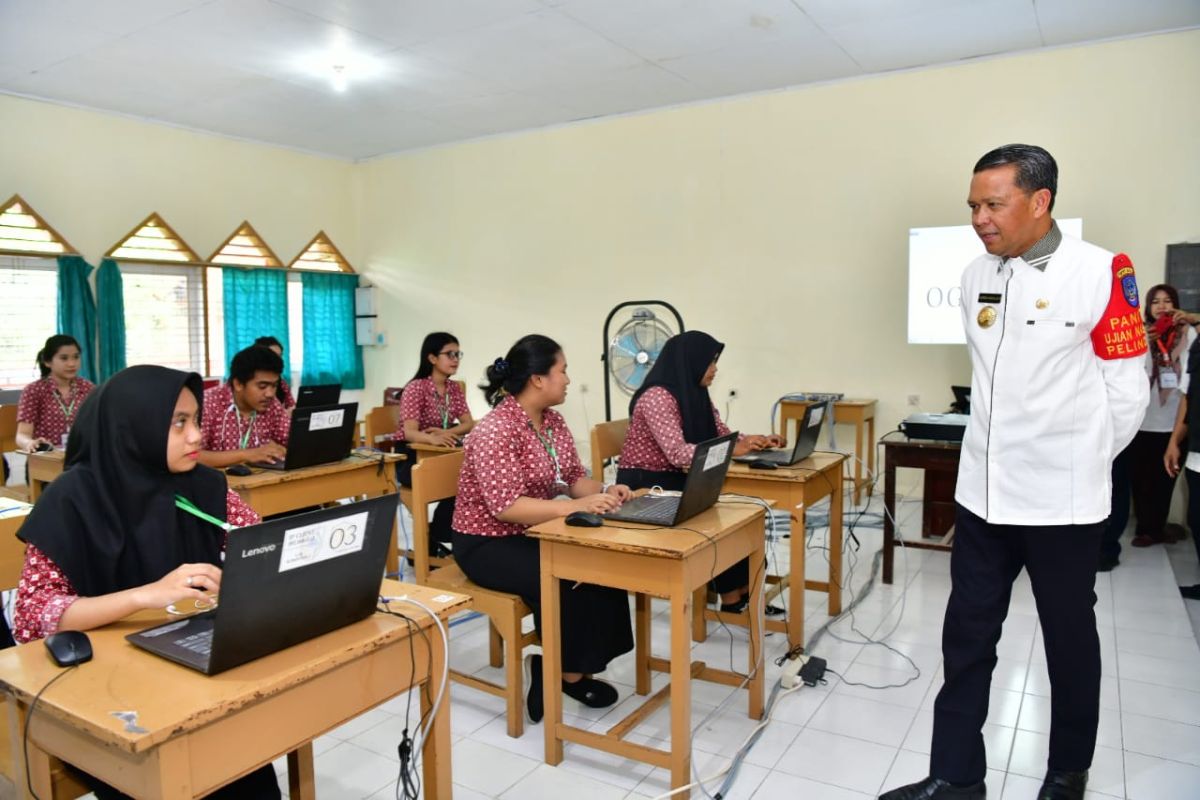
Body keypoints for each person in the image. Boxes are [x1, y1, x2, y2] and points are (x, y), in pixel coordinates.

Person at [881, 145, 1148, 800]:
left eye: (992, 204)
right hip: (981, 498)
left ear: (1040, 201)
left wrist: (1074, 460)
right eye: (973, 205)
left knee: (1068, 644)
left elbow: (1127, 396)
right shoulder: (976, 275)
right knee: (965, 639)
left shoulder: (1102, 271)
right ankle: (955, 776)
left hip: (1062, 505)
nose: (979, 217)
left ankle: (1066, 775)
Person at [12, 365, 279, 799]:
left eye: (195, 421)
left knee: (246, 772)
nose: (196, 436)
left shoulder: (203, 485)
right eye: (179, 423)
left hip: (195, 676)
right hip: (107, 698)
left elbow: (259, 548)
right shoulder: (72, 498)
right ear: (133, 426)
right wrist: (144, 596)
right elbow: (33, 616)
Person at [451, 334, 634, 723]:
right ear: (537, 379)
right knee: (565, 576)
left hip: (537, 531)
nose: (567, 379)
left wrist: (604, 491)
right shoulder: (495, 430)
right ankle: (559, 671)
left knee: (604, 563)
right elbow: (506, 508)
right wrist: (575, 508)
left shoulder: (552, 421)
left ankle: (576, 669)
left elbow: (571, 478)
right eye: (562, 371)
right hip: (486, 542)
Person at [615, 330, 783, 614]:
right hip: (647, 485)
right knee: (720, 519)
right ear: (691, 362)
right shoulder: (657, 397)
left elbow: (721, 434)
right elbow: (677, 453)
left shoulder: (695, 393)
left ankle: (746, 591)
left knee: (740, 516)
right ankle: (732, 597)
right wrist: (734, 450)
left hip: (679, 477)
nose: (715, 369)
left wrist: (752, 441)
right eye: (711, 362)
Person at [1102, 284, 1192, 569]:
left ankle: (1154, 528)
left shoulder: (1187, 336)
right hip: (1138, 423)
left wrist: (1190, 320)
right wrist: (1141, 339)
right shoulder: (1136, 333)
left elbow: (1188, 386)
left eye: (1168, 301)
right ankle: (1144, 528)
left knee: (1164, 482)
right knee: (1136, 481)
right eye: (1156, 302)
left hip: (1172, 423)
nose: (1162, 307)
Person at [394, 333, 477, 556]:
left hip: (441, 453)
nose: (455, 359)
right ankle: (433, 538)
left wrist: (445, 432)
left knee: (469, 479)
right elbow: (410, 432)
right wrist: (432, 438)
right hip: (411, 459)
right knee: (455, 480)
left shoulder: (454, 388)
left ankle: (436, 535)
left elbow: (468, 423)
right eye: (449, 354)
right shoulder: (416, 388)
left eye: (458, 354)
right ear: (431, 358)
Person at [198, 345, 291, 468]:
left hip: (258, 481)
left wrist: (282, 449)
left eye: (274, 386)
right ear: (238, 384)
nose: (270, 394)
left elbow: (291, 440)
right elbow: (191, 456)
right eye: (262, 386)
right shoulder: (208, 404)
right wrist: (246, 455)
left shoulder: (272, 404)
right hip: (216, 484)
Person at [1162, 310, 1200, 600]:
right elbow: (1188, 396)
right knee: (1196, 517)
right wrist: (1175, 440)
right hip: (1197, 449)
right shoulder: (1197, 345)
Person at [15, 334, 95, 454]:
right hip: (46, 460)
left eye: (76, 357)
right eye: (64, 358)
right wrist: (29, 443)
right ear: (47, 362)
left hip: (80, 458)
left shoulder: (88, 388)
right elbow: (21, 435)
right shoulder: (34, 390)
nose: (72, 364)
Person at [254, 335, 294, 409]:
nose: (278, 361)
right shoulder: (245, 383)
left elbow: (291, 405)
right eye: (273, 356)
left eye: (280, 356)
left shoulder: (281, 382)